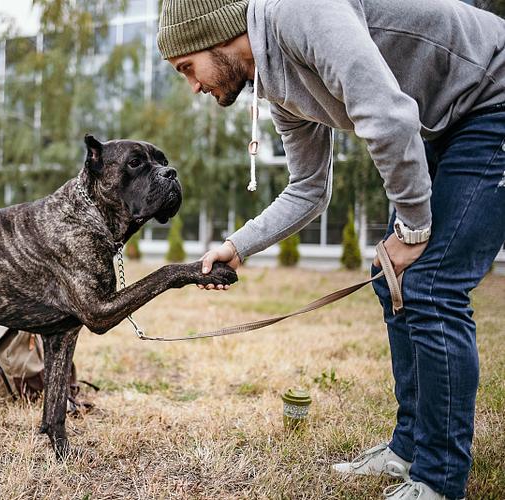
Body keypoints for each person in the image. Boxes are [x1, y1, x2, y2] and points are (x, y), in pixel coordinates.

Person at [156, 0, 505, 499]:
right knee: (394, 279)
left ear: (217, 36)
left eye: (187, 68)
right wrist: (239, 246)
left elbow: (387, 117)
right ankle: (408, 448)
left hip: (493, 97)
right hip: (443, 117)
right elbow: (308, 190)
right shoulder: (280, 90)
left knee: (429, 283)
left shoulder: (301, 12)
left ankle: (439, 479)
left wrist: (413, 231)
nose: (193, 86)